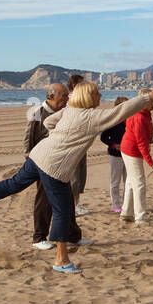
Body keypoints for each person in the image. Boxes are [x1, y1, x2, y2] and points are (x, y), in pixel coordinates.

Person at [0, 84, 153, 271]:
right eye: (97, 93)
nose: (100, 95)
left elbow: (49, 123)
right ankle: (61, 260)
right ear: (88, 97)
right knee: (63, 210)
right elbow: (122, 111)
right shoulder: (91, 118)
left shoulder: (70, 111)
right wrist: (148, 97)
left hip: (39, 154)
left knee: (14, 184)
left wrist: (60, 139)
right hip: (53, 166)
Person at [27, 83, 81, 250]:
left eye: (67, 95)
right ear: (51, 97)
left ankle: (72, 236)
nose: (67, 99)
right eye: (63, 96)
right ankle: (39, 237)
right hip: (43, 163)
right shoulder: (37, 113)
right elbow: (29, 140)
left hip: (61, 163)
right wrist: (32, 164)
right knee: (44, 201)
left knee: (68, 200)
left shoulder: (64, 111)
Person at [121, 89, 153, 223]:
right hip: (131, 151)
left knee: (131, 182)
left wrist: (149, 138)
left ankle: (126, 212)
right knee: (139, 184)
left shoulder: (145, 113)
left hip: (129, 148)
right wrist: (151, 163)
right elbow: (141, 143)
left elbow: (142, 137)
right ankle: (140, 216)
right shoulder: (139, 116)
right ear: (145, 102)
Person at [99, 95, 130, 214]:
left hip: (129, 154)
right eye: (126, 106)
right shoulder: (112, 121)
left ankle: (127, 204)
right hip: (115, 154)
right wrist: (114, 145)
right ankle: (116, 205)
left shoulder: (130, 119)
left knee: (128, 181)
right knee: (115, 181)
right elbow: (103, 137)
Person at [66, 75, 90, 216]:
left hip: (82, 142)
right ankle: (73, 206)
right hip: (74, 143)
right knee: (74, 177)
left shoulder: (80, 100)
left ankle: (76, 204)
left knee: (80, 175)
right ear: (74, 86)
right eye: (82, 84)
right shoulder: (71, 100)